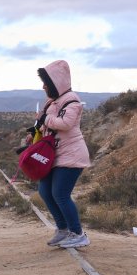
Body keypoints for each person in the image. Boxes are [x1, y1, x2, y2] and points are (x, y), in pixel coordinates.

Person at [32, 60, 91, 249]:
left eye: (47, 83)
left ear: (57, 83)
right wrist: (34, 131)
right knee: (45, 191)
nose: (44, 87)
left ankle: (78, 234)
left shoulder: (72, 100)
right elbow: (47, 123)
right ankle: (63, 229)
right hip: (56, 155)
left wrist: (44, 119)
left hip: (72, 154)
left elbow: (65, 124)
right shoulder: (54, 100)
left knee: (60, 193)